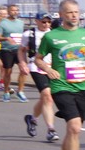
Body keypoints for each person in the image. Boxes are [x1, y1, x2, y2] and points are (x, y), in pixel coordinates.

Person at [36, 0, 85, 150]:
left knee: (74, 130)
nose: (74, 15)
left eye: (76, 12)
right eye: (70, 12)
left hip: (84, 86)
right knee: (74, 127)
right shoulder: (51, 36)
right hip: (61, 86)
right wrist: (48, 69)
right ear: (62, 14)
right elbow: (38, 59)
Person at [18, 13, 58, 142]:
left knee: (45, 98)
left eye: (48, 22)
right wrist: (23, 64)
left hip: (53, 68)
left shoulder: (54, 33)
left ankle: (32, 119)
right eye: (43, 22)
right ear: (36, 21)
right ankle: (51, 130)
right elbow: (21, 50)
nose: (46, 24)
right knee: (47, 96)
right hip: (36, 67)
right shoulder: (29, 34)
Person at [0, 5, 27, 101]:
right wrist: (6, 38)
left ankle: (20, 91)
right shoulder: (3, 23)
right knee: (8, 72)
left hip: (19, 50)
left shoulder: (21, 23)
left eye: (17, 10)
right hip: (7, 50)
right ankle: (6, 92)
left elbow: (24, 36)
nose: (15, 12)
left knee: (24, 70)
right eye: (13, 10)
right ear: (9, 12)